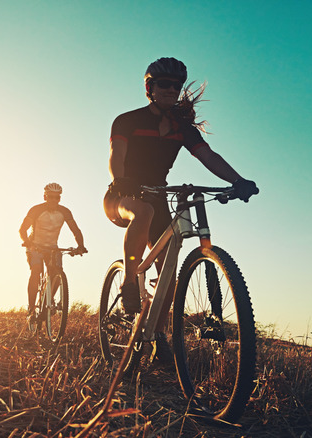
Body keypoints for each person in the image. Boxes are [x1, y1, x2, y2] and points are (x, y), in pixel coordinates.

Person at [104, 57, 258, 355]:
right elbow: (116, 155)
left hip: (158, 196)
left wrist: (239, 181)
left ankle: (157, 334)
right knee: (144, 211)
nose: (171, 90)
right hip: (122, 195)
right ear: (150, 88)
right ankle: (129, 281)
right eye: (164, 84)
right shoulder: (128, 120)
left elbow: (208, 156)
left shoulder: (181, 128)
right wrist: (121, 180)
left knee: (169, 272)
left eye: (176, 85)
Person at [19, 183, 87, 326]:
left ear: (59, 199)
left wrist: (81, 246)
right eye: (50, 197)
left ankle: (47, 302)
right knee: (36, 271)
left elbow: (75, 230)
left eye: (56, 197)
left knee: (57, 273)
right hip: (35, 246)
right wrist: (27, 242)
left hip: (52, 248)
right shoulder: (36, 210)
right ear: (45, 196)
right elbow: (22, 230)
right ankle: (31, 310)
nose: (53, 200)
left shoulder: (65, 212)